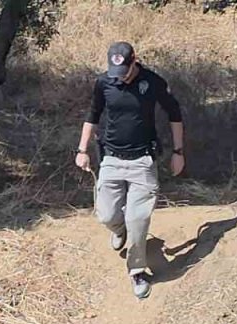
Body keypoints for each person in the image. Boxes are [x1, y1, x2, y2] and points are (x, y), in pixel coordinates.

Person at [76, 41, 186, 299]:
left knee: (138, 220)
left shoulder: (153, 82)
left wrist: (178, 152)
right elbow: (92, 115)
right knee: (106, 215)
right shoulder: (104, 83)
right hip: (111, 160)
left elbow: (175, 113)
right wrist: (82, 150)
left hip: (142, 162)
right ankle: (118, 230)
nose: (121, 77)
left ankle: (137, 271)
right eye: (116, 73)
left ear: (134, 60)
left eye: (125, 71)